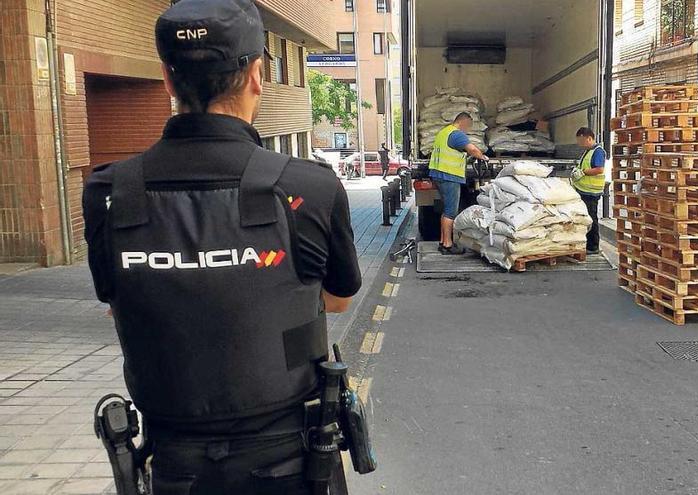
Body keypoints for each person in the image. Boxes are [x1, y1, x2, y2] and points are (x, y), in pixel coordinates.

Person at [82, 0, 362, 493]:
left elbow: (119, 302)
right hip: (292, 462)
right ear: (257, 75)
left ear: (168, 80)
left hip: (172, 463)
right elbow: (338, 300)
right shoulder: (309, 187)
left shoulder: (111, 192)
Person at [429, 112, 489, 255]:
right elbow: (472, 149)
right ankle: (448, 245)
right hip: (449, 176)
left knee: (446, 210)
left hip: (438, 175)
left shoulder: (444, 132)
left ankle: (443, 242)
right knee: (451, 211)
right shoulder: (457, 134)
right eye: (468, 126)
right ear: (464, 122)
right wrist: (483, 157)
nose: (468, 129)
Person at [570, 127, 606, 254]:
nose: (580, 144)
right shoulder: (587, 151)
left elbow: (599, 169)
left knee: (592, 218)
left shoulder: (598, 151)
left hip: (592, 192)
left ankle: (593, 246)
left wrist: (583, 172)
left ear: (589, 138)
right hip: (583, 190)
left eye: (581, 141)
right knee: (585, 218)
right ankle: (586, 243)